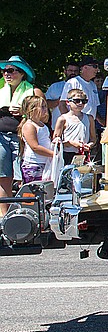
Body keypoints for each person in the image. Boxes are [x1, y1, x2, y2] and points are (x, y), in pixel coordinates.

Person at [1, 55, 43, 214]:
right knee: (3, 176)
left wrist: (24, 112)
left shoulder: (34, 91)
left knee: (23, 176)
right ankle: (4, 214)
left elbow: (44, 116)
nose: (7, 74)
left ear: (22, 73)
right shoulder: (0, 89)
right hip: (1, 137)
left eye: (11, 71)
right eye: (5, 71)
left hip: (22, 138)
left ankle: (26, 212)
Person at [54, 88, 96, 168]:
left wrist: (89, 145)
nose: (80, 103)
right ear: (68, 102)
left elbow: (93, 138)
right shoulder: (62, 119)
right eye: (77, 101)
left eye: (84, 101)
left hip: (83, 154)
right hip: (67, 154)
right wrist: (71, 143)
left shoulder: (89, 118)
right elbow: (56, 142)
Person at [18, 95, 54, 183]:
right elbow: (35, 147)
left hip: (45, 163)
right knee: (33, 193)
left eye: (45, 106)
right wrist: (54, 154)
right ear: (32, 109)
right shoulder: (29, 125)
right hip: (33, 165)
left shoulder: (43, 125)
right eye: (42, 107)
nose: (45, 109)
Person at [62, 56, 101, 126]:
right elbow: (62, 104)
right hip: (76, 124)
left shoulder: (93, 85)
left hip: (90, 124)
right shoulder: (73, 82)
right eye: (95, 66)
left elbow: (93, 107)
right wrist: (69, 122)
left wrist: (102, 122)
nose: (97, 70)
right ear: (85, 67)